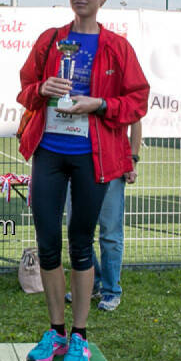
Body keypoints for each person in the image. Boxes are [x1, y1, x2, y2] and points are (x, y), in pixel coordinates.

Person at [17, 0, 149, 361]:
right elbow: (25, 89)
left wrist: (101, 104)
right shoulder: (51, 40)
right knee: (47, 243)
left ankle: (80, 335)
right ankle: (55, 331)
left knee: (80, 241)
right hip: (50, 152)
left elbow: (138, 100)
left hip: (92, 154)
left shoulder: (118, 47)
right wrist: (42, 88)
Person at [64, 121, 141, 311]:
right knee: (77, 232)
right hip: (75, 163)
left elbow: (136, 120)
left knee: (110, 232)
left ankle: (111, 291)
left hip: (111, 164)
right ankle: (90, 284)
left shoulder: (115, 92)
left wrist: (132, 159)